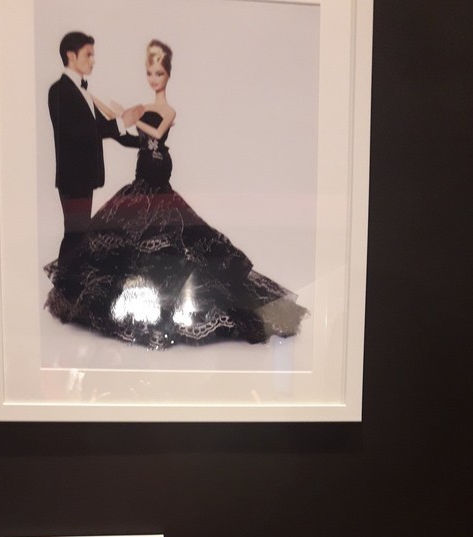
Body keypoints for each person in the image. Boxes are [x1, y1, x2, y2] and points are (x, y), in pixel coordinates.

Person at [44, 40, 308, 350]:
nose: (154, 78)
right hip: (142, 174)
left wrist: (128, 118)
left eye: (159, 73)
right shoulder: (141, 108)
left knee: (176, 238)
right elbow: (126, 134)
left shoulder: (167, 110)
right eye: (150, 73)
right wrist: (104, 108)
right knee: (119, 238)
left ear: (167, 75)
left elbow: (155, 133)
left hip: (158, 170)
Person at [48, 31, 143, 262]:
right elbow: (79, 133)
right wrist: (122, 121)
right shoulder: (59, 90)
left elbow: (106, 130)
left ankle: (68, 280)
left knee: (78, 235)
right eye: (88, 54)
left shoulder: (84, 93)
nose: (93, 60)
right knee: (75, 235)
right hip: (73, 179)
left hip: (83, 179)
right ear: (71, 55)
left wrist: (147, 143)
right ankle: (64, 281)